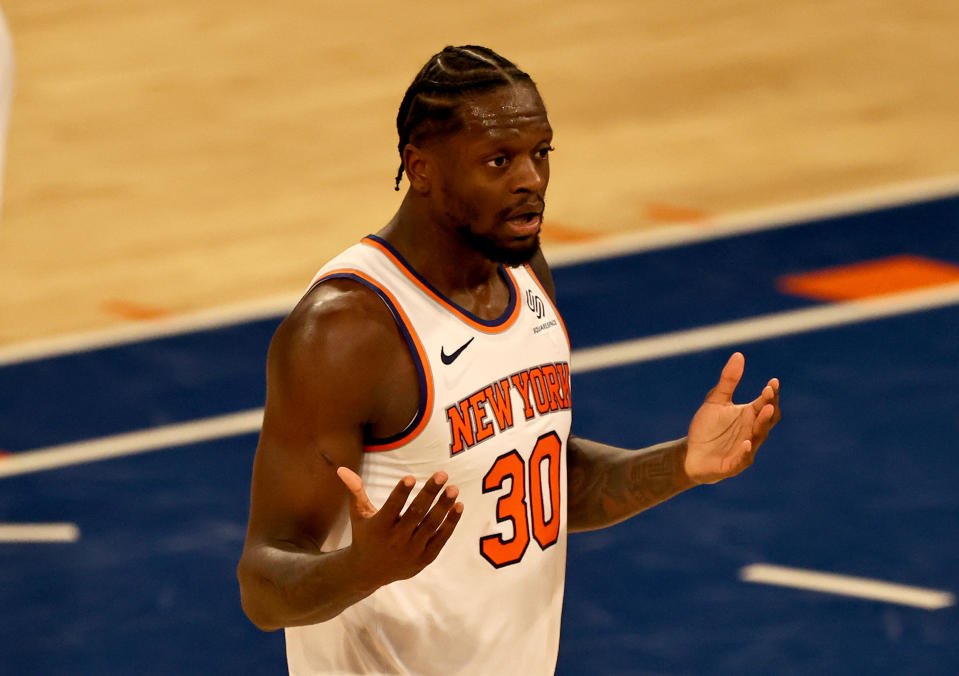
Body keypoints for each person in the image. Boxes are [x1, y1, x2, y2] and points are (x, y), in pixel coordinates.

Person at [237, 45, 781, 675]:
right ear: (421, 168)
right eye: (499, 160)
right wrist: (362, 568)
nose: (531, 180)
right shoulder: (347, 331)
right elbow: (263, 584)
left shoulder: (525, 277)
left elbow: (531, 484)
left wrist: (682, 465)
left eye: (540, 153)